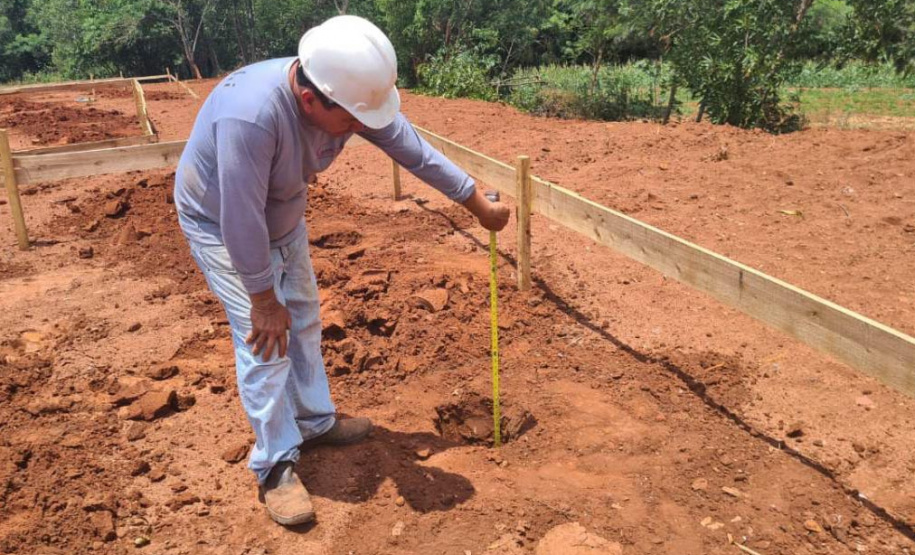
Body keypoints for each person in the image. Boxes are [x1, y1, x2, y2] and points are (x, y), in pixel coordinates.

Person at [173, 15, 510, 526]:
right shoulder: (251, 118)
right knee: (263, 341)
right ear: (311, 101)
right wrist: (263, 298)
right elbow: (240, 217)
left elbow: (409, 147)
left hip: (282, 214)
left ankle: (313, 421)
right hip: (221, 223)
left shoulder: (344, 98)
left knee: (304, 316)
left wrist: (471, 199)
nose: (362, 128)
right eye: (354, 119)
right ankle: (275, 464)